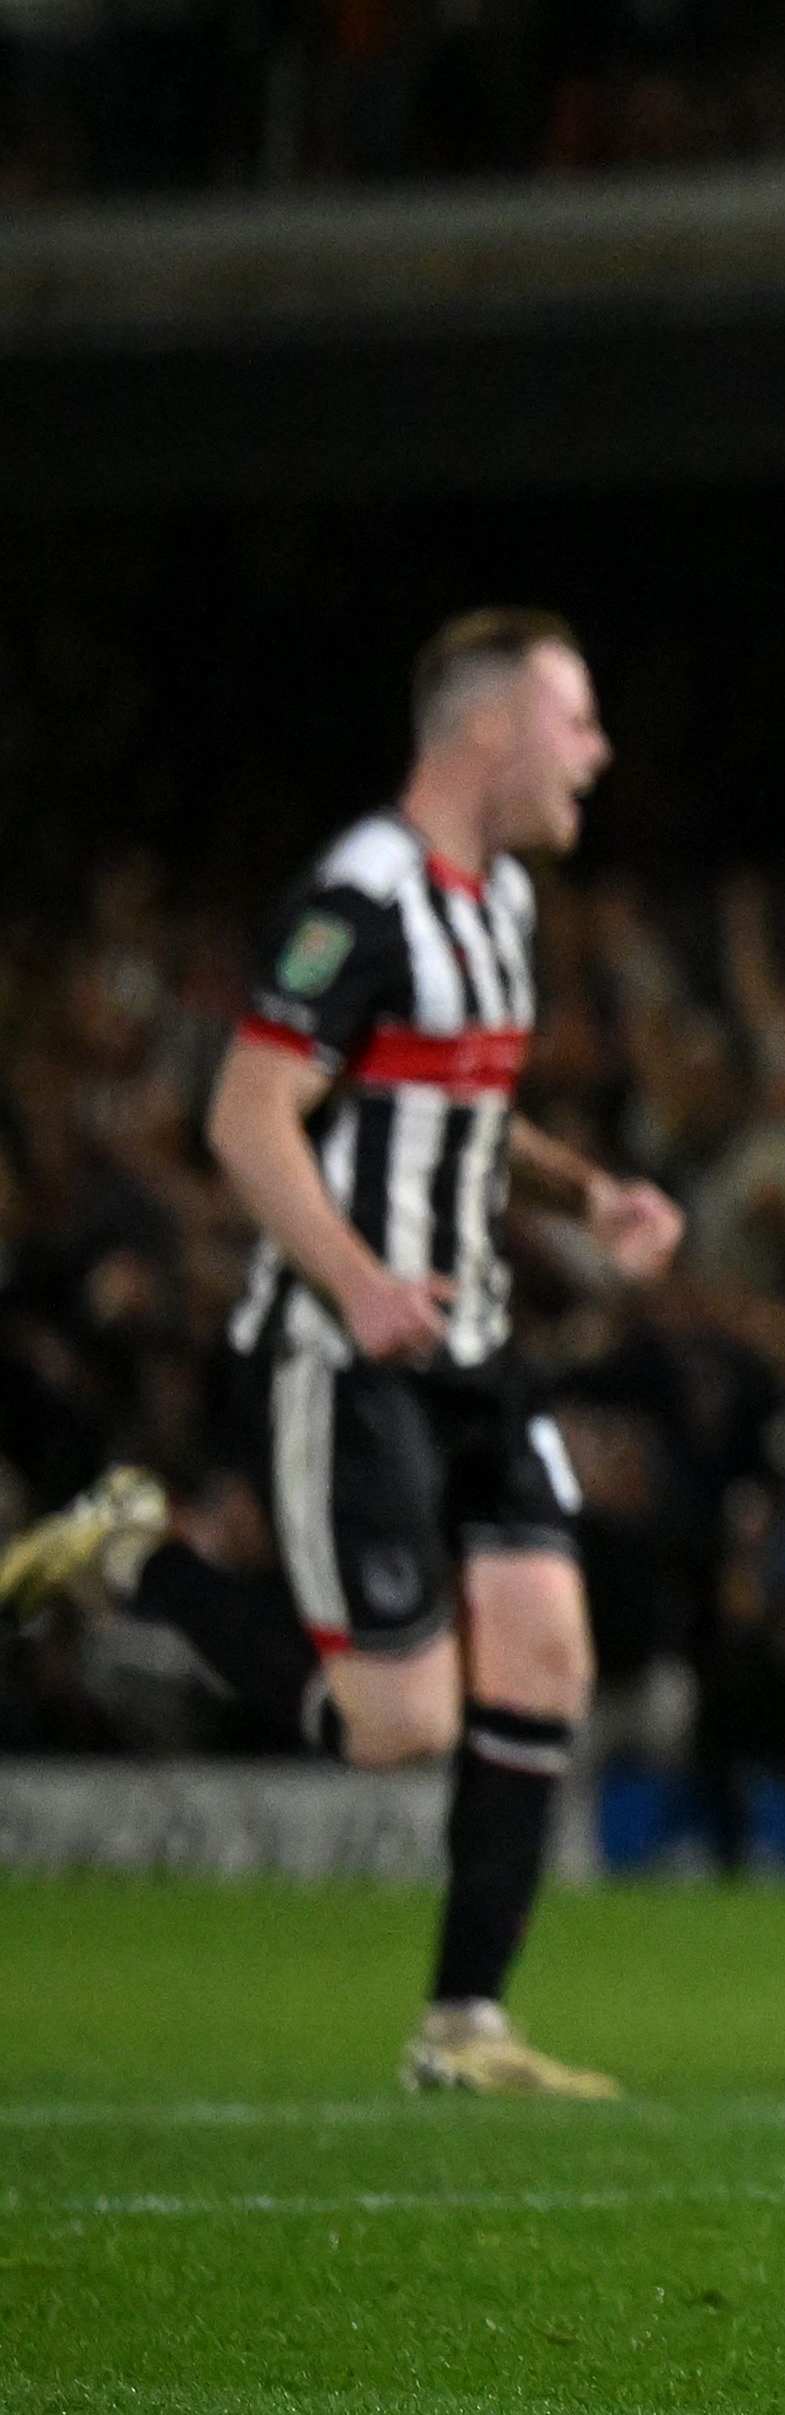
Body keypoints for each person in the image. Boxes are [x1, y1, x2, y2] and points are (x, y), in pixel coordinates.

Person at [18, 615, 684, 2092]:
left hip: (476, 1350)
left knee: (549, 1653)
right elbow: (248, 1117)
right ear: (489, 732)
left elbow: (473, 1114)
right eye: (575, 720)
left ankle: (467, 2027)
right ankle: (137, 1564)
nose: (599, 752)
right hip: (346, 1351)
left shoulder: (501, 903)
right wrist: (360, 1280)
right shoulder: (361, 900)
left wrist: (592, 1196)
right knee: (397, 1726)